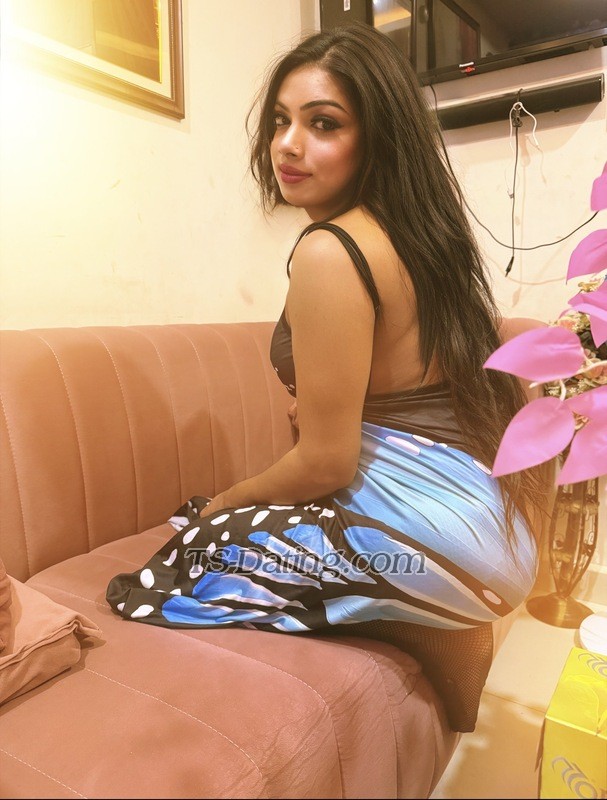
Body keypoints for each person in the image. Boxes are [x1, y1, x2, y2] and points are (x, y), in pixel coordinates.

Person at [106, 23, 547, 637]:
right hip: (493, 532)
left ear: (377, 139)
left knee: (180, 562)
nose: (288, 145)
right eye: (279, 122)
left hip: (435, 544)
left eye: (323, 123)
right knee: (204, 520)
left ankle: (387, 599)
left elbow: (325, 463)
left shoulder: (330, 251)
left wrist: (229, 498)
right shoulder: (414, 237)